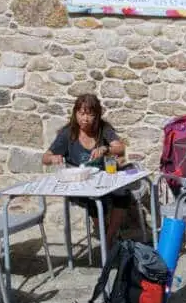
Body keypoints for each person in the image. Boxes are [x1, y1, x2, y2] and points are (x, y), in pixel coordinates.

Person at [42, 93, 131, 249]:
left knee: (123, 194)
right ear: (75, 113)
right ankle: (105, 236)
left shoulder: (103, 129)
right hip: (79, 184)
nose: (85, 118)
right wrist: (53, 158)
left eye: (90, 114)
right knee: (95, 200)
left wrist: (106, 148)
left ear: (96, 116)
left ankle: (108, 238)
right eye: (82, 114)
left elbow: (120, 148)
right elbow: (45, 157)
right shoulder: (68, 134)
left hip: (104, 179)